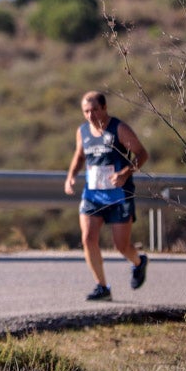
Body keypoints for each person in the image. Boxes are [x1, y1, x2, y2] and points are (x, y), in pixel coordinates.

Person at [64, 90, 150, 301]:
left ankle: (139, 262)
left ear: (104, 108)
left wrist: (125, 172)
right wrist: (71, 176)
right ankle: (102, 287)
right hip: (93, 194)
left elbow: (142, 154)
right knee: (88, 238)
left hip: (119, 195)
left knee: (121, 246)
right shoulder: (83, 131)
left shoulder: (119, 129)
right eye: (86, 111)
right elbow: (79, 155)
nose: (90, 115)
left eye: (94, 110)